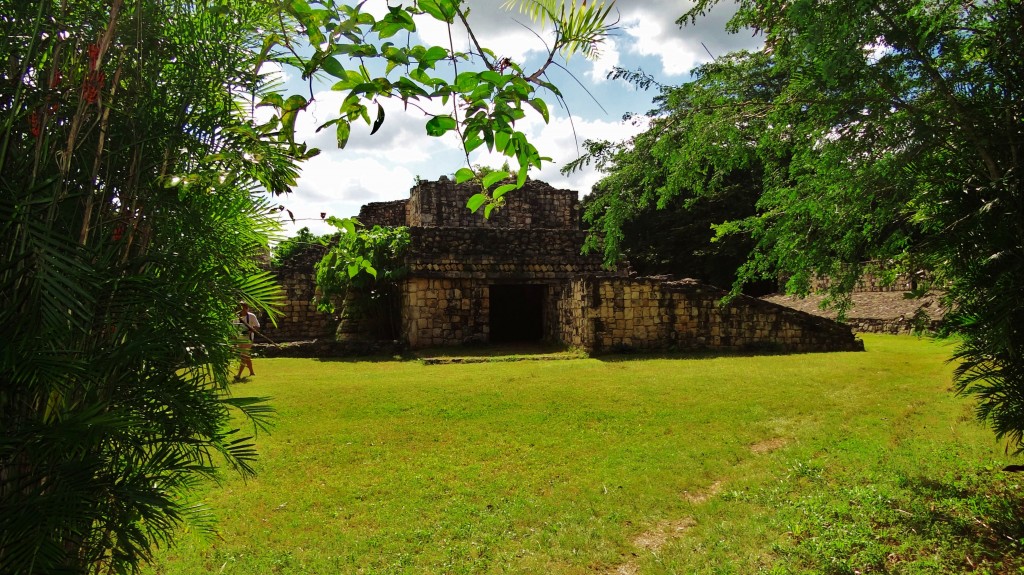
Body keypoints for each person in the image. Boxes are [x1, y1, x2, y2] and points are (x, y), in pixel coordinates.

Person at [235, 301, 259, 380]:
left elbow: (257, 326)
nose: (243, 310)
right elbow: (234, 328)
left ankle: (238, 375)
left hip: (248, 339)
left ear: (246, 308)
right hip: (239, 339)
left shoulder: (251, 316)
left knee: (244, 356)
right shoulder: (236, 317)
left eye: (244, 308)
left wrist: (250, 331)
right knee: (246, 356)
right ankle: (252, 372)